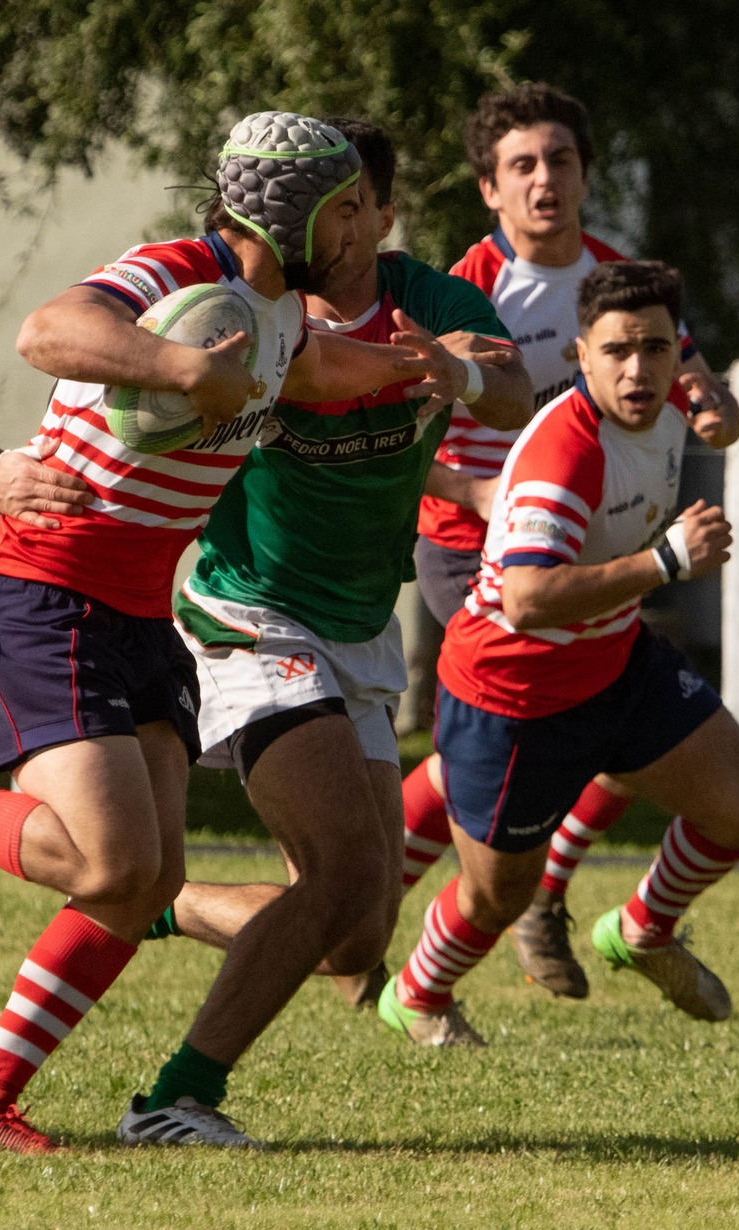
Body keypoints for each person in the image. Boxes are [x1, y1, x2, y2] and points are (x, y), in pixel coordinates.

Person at [0, 111, 450, 1153]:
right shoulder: (173, 268)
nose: (363, 231)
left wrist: (418, 366)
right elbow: (46, 331)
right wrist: (184, 372)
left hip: (139, 612)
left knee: (146, 884)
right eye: (347, 208)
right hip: (45, 595)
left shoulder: (276, 316)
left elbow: (309, 375)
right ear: (291, 211)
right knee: (105, 863)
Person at [126, 117, 534, 1119]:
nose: (339, 223)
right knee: (342, 864)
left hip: (361, 627)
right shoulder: (249, 311)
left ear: (382, 215)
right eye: (325, 204)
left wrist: (460, 373)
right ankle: (177, 1099)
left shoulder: (434, 301)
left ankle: (159, 903)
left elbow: (516, 389)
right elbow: (157, 409)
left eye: (356, 204)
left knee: (355, 938)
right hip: (249, 612)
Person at [379, 260, 739, 1048]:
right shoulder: (565, 454)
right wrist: (667, 562)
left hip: (615, 661)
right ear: (581, 356)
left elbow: (718, 420)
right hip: (513, 695)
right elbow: (527, 602)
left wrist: (716, 412)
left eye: (658, 350)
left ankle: (640, 930)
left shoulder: (668, 402)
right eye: (620, 351)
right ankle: (418, 991)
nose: (639, 369)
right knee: (497, 898)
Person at [401, 83, 739, 999]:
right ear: (490, 189)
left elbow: (707, 396)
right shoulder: (462, 291)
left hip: (588, 535)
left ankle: (524, 895)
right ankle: (417, 910)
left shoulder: (616, 289)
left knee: (609, 723)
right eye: (522, 165)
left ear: (586, 175)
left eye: (559, 160)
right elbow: (393, 443)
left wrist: (713, 413)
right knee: (537, 711)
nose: (544, 179)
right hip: (471, 544)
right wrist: (477, 487)